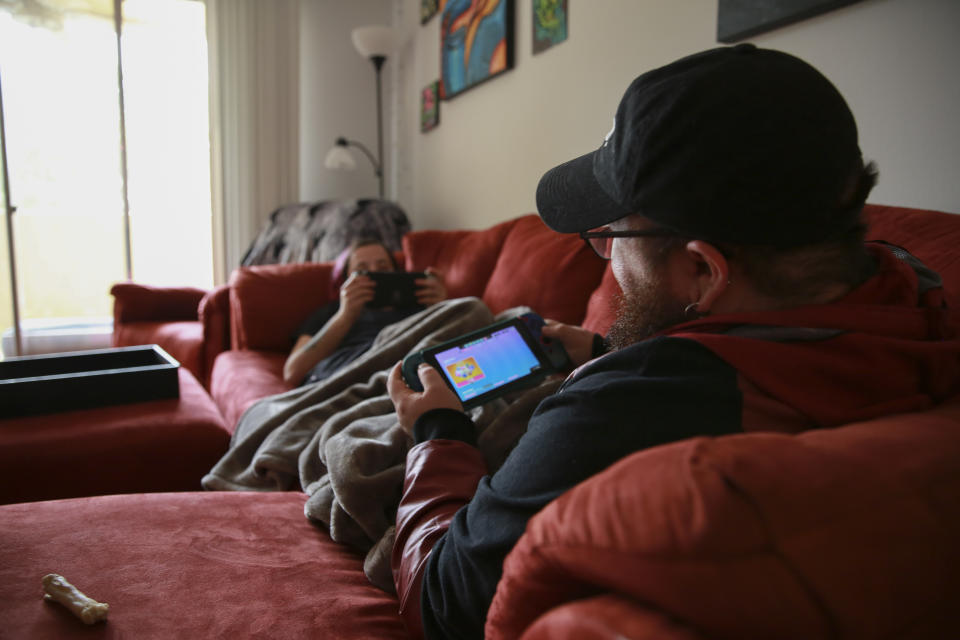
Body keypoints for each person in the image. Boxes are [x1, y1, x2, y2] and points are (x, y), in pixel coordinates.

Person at [385, 44, 960, 639]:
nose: (608, 258)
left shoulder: (623, 407)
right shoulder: (915, 300)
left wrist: (439, 433)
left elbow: (444, 604)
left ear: (703, 273)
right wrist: (607, 350)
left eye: (612, 235)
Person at [283, 237, 446, 386]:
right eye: (362, 270)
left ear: (395, 272)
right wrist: (345, 316)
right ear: (347, 278)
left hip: (403, 375)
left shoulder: (420, 307)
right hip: (351, 376)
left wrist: (442, 308)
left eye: (383, 267)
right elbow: (292, 372)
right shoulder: (331, 312)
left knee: (468, 305)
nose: (375, 272)